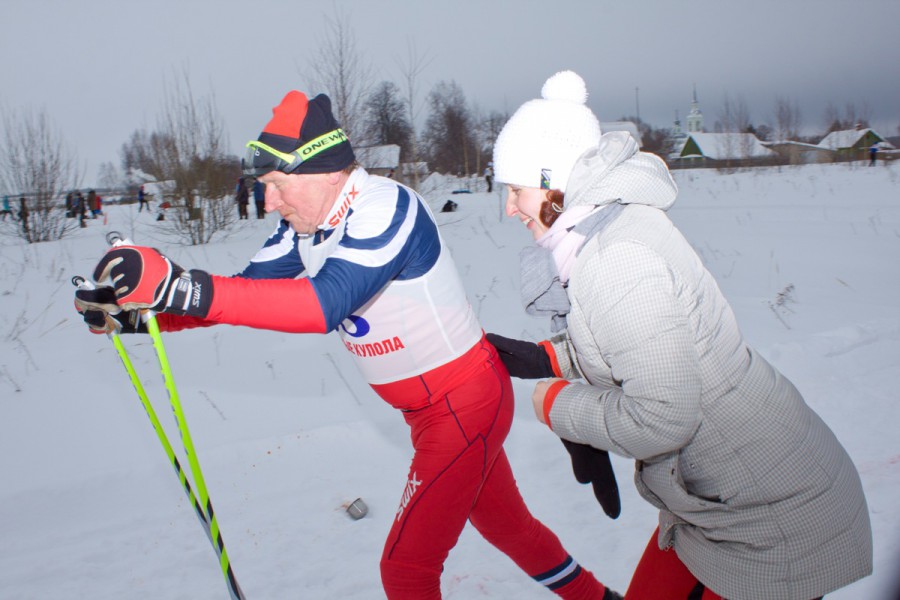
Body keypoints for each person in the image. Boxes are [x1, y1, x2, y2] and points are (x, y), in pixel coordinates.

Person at [74, 89, 620, 600]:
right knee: (508, 526)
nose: (268, 202)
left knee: (406, 568)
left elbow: (322, 305)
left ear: (328, 172)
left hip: (464, 405)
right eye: (264, 185)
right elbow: (240, 294)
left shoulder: (387, 208)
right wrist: (139, 316)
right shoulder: (304, 225)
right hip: (433, 412)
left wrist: (179, 286)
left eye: (278, 184)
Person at [486, 71, 873, 600]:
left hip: (772, 513)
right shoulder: (604, 230)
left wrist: (553, 402)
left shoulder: (616, 256)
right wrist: (550, 358)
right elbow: (632, 339)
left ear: (553, 180)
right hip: (718, 503)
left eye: (515, 189)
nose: (508, 207)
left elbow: (662, 419)